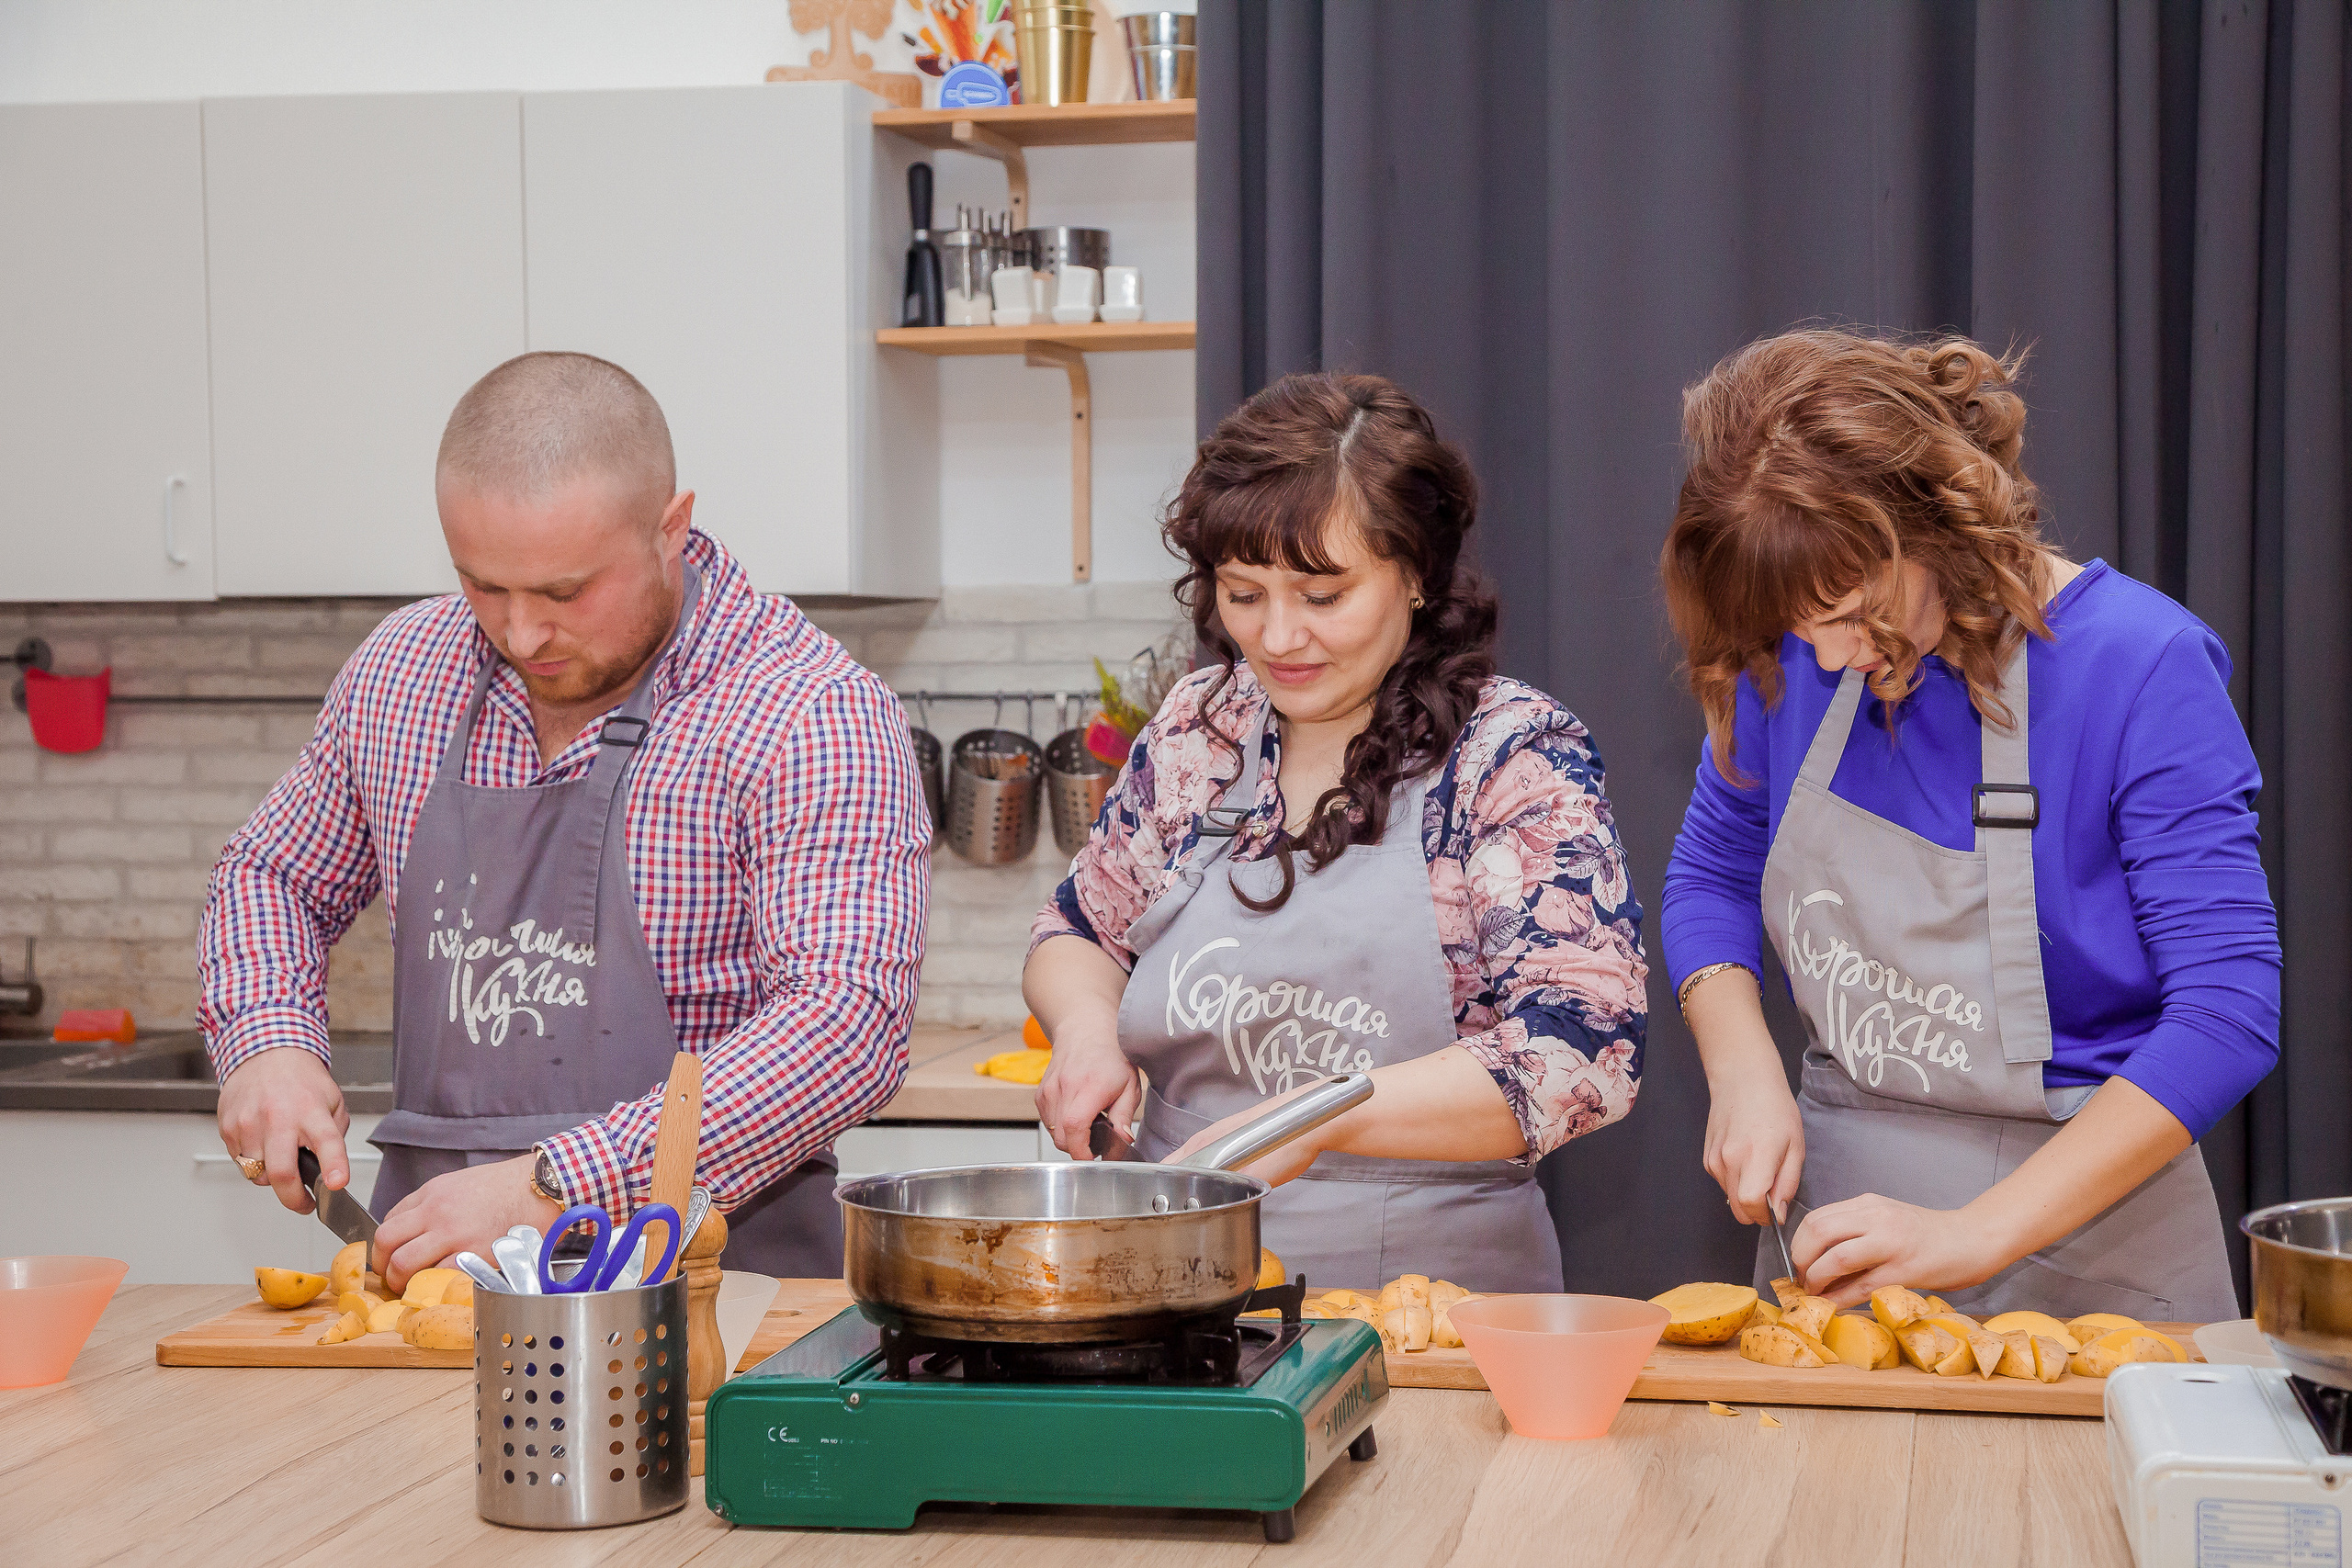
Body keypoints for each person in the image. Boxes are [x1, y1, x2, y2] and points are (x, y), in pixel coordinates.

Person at [200, 351, 930, 1287]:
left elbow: (846, 1024)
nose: (521, 634)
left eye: (562, 591)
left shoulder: (806, 711)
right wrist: (267, 1046)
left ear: (671, 527)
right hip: (429, 1291)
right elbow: (274, 876)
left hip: (713, 1304)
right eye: (482, 585)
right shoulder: (400, 674)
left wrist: (553, 1188)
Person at [1659, 329, 2278, 1318]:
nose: (1826, 658)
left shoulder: (2139, 663)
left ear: (1937, 518)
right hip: (1842, 1222)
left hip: (2099, 1239)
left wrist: (1972, 1232)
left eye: (1858, 612)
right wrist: (1740, 1066)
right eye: (1798, 626)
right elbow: (1711, 879)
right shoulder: (1789, 642)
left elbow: (2226, 1010)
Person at [1025, 372, 1647, 1293]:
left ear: (1416, 576)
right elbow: (1079, 929)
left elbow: (1580, 1055)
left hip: (1430, 1307)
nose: (1277, 637)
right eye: (1243, 593)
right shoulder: (1205, 727)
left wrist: (1326, 1115)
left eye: (1322, 596)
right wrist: (1084, 1034)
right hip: (1166, 1279)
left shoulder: (1507, 756)